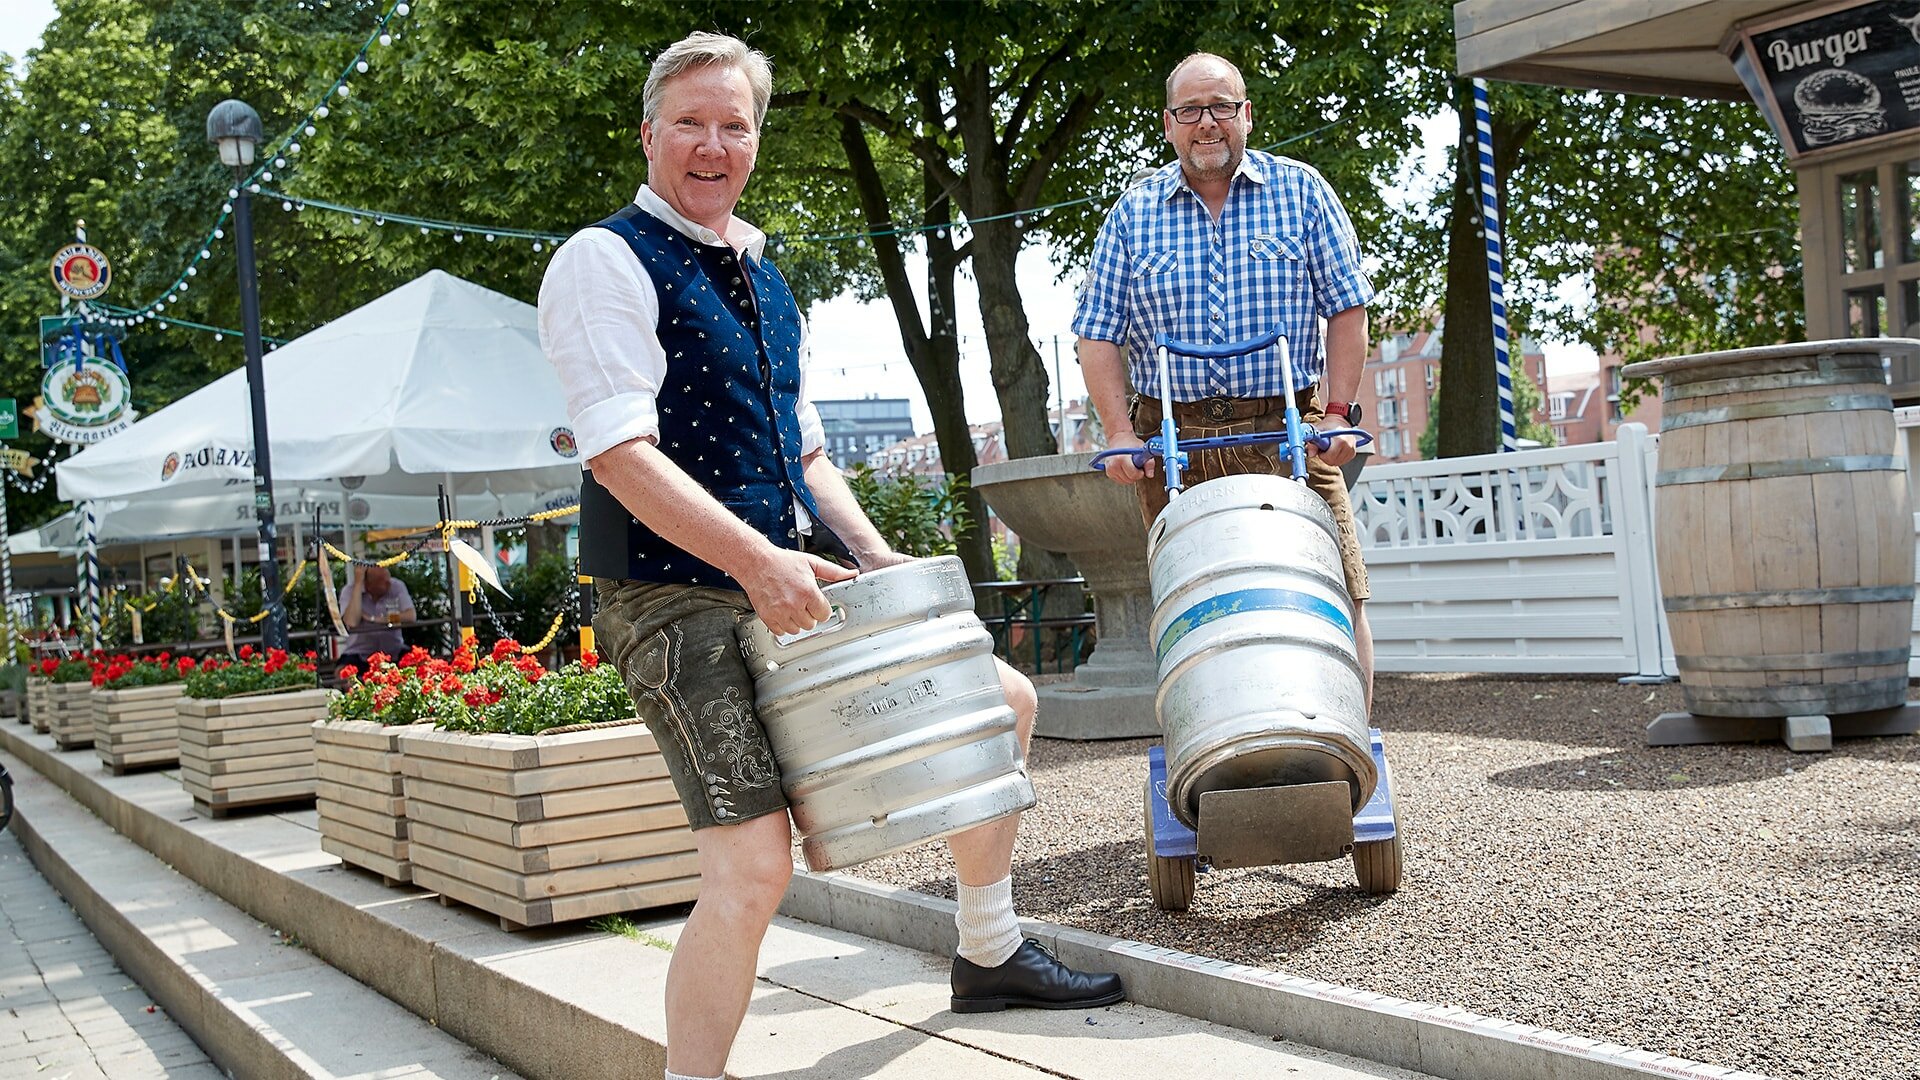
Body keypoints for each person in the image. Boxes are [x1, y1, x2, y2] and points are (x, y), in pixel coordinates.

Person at [537, 31, 1122, 1080]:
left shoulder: (767, 277)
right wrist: (762, 562)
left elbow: (805, 454)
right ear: (650, 134)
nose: (713, 145)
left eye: (735, 124)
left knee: (1001, 703)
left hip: (784, 571)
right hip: (666, 592)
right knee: (754, 868)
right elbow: (621, 456)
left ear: (756, 139)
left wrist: (876, 553)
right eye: (691, 123)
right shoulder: (603, 258)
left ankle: (987, 949)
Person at [1072, 51, 1376, 703]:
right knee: (1192, 596)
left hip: (1286, 422)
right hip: (1173, 433)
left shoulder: (1303, 192)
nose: (1206, 123)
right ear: (1168, 124)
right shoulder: (1133, 213)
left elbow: (1347, 308)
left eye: (1221, 107)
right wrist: (1120, 432)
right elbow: (1098, 332)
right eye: (1190, 111)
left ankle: (1342, 748)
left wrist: (1338, 416)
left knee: (1335, 583)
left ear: (1246, 115)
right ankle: (1215, 748)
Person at [336, 564, 414, 670]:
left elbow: (411, 616)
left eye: (388, 579)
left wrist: (380, 619)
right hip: (359, 653)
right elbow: (351, 622)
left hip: (394, 651)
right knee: (342, 673)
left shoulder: (396, 586)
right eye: (383, 581)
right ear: (368, 585)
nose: (389, 583)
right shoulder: (350, 591)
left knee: (420, 665)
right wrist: (358, 585)